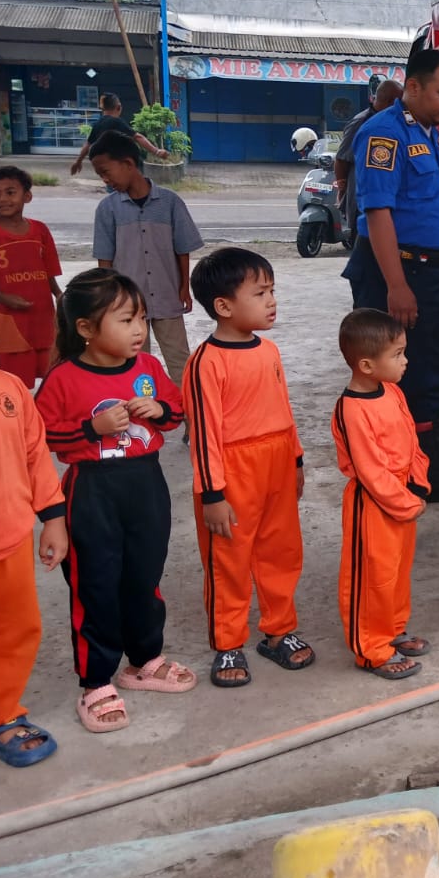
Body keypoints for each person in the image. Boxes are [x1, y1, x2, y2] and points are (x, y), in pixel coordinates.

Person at [36, 269, 196, 735]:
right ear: (86, 328)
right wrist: (93, 429)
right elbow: (42, 437)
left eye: (141, 318)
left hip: (146, 485)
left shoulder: (147, 368)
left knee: (144, 577)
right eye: (126, 320)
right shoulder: (63, 378)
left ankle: (145, 660)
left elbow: (177, 410)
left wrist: (159, 410)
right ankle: (96, 682)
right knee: (96, 587)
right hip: (92, 491)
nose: (139, 330)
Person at [343, 51, 439, 503]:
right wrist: (397, 286)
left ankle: (432, 471)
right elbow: (378, 213)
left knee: (431, 369)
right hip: (393, 270)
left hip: (430, 269)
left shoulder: (433, 138)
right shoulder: (382, 135)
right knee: (391, 371)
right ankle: (393, 473)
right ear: (414, 87)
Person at [182, 248, 312, 688]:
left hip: (277, 463)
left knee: (281, 551)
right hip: (231, 471)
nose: (272, 301)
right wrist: (212, 495)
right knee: (229, 561)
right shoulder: (205, 362)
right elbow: (203, 434)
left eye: (272, 291)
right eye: (260, 293)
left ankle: (279, 630)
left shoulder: (269, 350)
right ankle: (228, 642)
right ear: (223, 306)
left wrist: (296, 459)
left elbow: (283, 409)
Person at [0, 275, 69, 768]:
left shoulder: (10, 389)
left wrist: (53, 519)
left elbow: (37, 458)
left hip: (11, 539)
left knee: (13, 631)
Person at [332, 308, 430, 681]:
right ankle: (372, 649)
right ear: (367, 365)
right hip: (373, 506)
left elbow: (411, 440)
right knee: (372, 579)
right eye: (397, 355)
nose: (406, 361)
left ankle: (393, 629)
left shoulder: (392, 392)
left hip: (403, 496)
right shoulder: (352, 410)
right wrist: (405, 502)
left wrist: (418, 484)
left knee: (397, 572)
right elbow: (371, 472)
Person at [90, 133, 204, 383]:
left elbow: (182, 249)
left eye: (106, 172)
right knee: (134, 362)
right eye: (100, 175)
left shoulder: (170, 202)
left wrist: (183, 287)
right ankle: (142, 407)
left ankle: (188, 407)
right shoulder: (107, 209)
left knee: (179, 359)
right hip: (126, 302)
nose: (105, 180)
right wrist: (107, 298)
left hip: (167, 295)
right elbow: (105, 260)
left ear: (128, 163)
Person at [0, 165, 62, 386]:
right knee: (14, 380)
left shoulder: (40, 230)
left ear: (27, 196)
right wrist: (2, 298)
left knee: (50, 374)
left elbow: (48, 270)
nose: (3, 199)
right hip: (6, 317)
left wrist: (59, 294)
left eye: (10, 192)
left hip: (42, 315)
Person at [334, 79, 404, 245]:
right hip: (363, 203)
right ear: (392, 102)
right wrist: (342, 190)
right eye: (401, 103)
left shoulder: (393, 122)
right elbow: (341, 159)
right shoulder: (362, 122)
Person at [69, 93, 168, 175]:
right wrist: (156, 151)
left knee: (114, 190)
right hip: (122, 166)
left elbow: (87, 145)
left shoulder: (98, 124)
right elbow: (138, 137)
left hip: (108, 169)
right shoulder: (117, 122)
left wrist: (78, 162)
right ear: (119, 107)